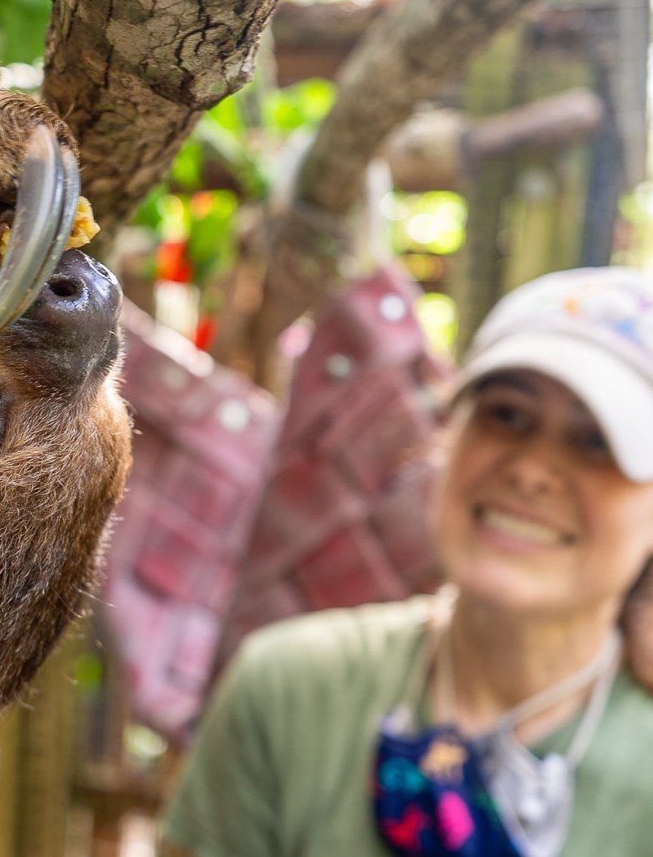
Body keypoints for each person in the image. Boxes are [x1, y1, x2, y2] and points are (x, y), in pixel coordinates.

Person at [160, 266, 653, 857]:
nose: (530, 470)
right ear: (447, 437)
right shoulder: (291, 690)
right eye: (507, 415)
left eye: (596, 442)